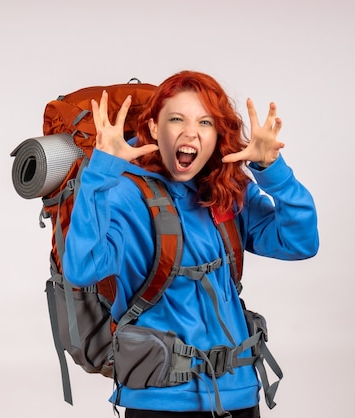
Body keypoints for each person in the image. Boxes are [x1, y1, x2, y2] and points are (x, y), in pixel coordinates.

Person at [62, 70, 319, 418]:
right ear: (154, 128)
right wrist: (100, 174)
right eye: (176, 119)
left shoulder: (226, 191)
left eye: (205, 122)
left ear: (217, 135)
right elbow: (82, 268)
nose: (190, 133)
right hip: (160, 400)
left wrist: (272, 170)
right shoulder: (123, 193)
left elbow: (300, 242)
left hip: (239, 394)